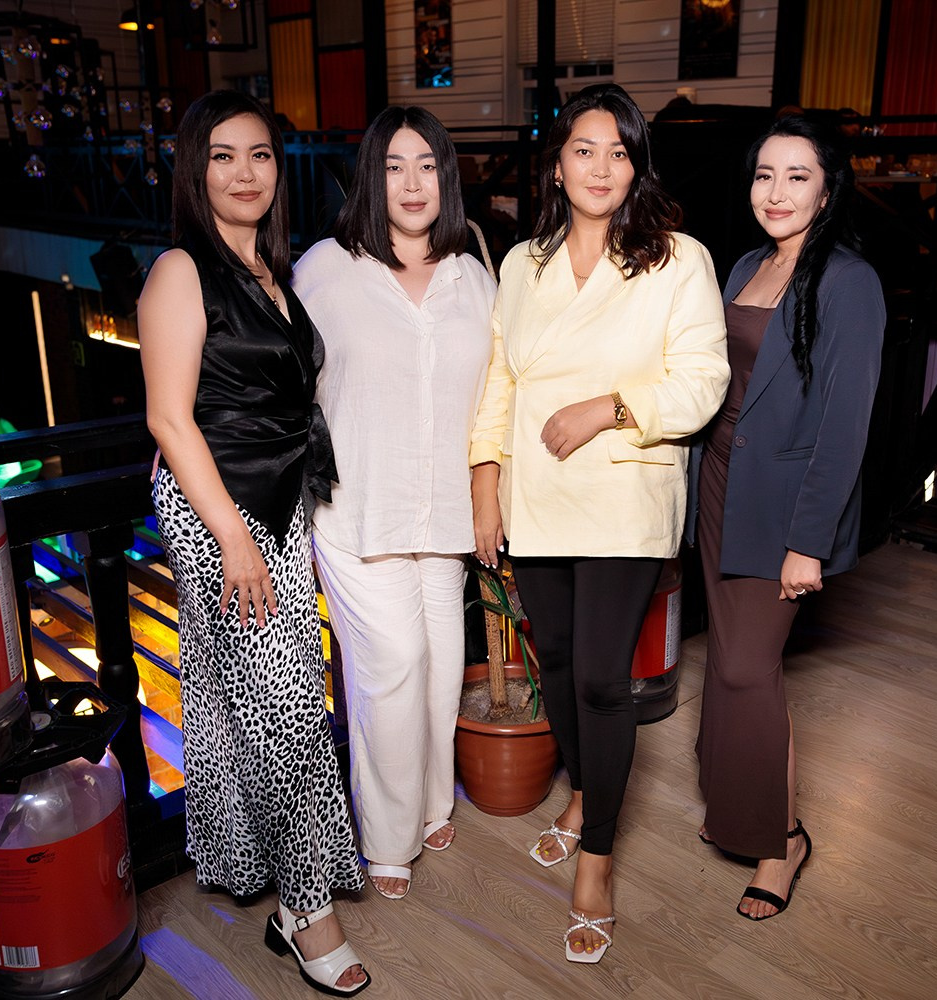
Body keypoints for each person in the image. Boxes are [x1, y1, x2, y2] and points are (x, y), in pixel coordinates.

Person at [469, 83, 729, 964]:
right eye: (585, 149)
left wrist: (607, 408)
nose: (601, 167)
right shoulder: (522, 263)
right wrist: (485, 481)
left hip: (623, 495)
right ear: (556, 165)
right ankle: (583, 795)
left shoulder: (678, 259)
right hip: (537, 496)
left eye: (620, 151)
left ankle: (598, 861)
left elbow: (703, 380)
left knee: (601, 682)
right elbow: (500, 379)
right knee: (559, 662)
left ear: (636, 167)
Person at [139, 90, 370, 996]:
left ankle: (272, 884)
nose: (245, 173)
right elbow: (169, 418)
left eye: (261, 155)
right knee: (288, 717)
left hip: (272, 509)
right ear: (195, 171)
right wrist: (234, 536)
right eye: (224, 156)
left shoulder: (269, 269)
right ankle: (310, 913)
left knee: (256, 706)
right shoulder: (180, 270)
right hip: (219, 516)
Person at [292, 106, 495, 901]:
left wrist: (489, 491)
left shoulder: (473, 271)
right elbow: (277, 378)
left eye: (427, 165)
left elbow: (495, 392)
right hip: (355, 511)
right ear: (369, 179)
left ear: (447, 177)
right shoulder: (325, 268)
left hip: (443, 511)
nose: (412, 184)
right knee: (392, 667)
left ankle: (433, 802)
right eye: (393, 166)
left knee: (442, 667)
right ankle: (385, 836)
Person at [689, 114, 885, 921]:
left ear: (828, 189)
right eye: (764, 174)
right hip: (720, 482)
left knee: (747, 666)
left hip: (783, 501)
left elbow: (845, 425)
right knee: (732, 660)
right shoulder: (746, 263)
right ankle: (736, 804)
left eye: (797, 176)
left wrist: (809, 541)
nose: (776, 192)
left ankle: (783, 839)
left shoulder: (848, 281)